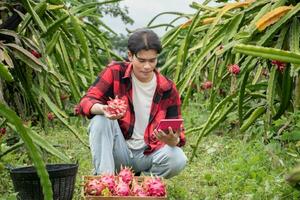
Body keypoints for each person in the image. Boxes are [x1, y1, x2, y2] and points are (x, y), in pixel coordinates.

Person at [77, 28, 187, 179]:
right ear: (130, 55)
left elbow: (178, 133)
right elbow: (85, 102)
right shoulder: (115, 72)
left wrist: (172, 140)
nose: (147, 66)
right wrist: (104, 109)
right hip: (119, 151)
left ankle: (144, 185)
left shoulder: (167, 88)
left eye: (152, 60)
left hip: (149, 152)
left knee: (178, 158)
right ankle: (105, 180)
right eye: (141, 60)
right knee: (100, 119)